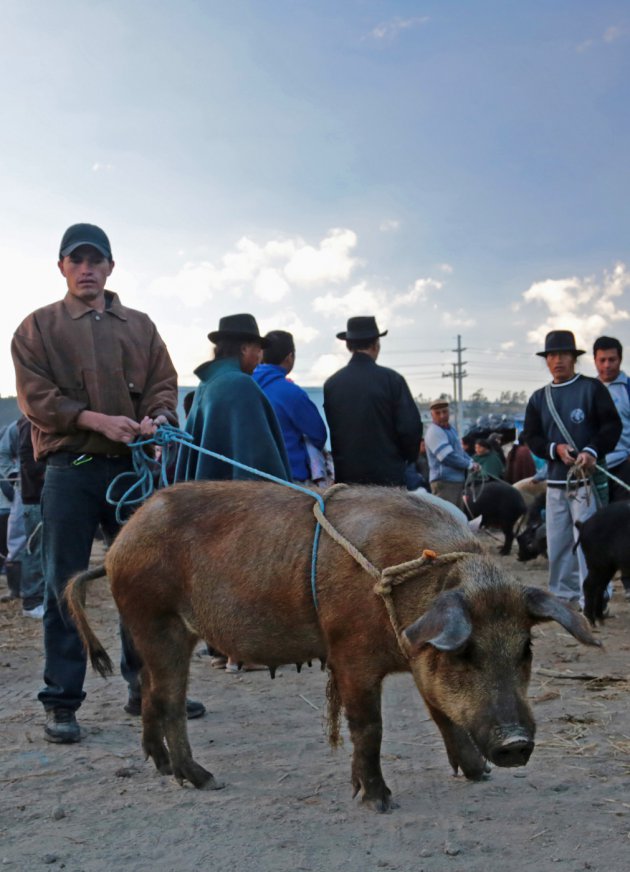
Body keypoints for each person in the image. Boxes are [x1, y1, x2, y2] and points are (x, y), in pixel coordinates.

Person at [11, 222, 205, 744]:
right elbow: (36, 399)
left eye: (96, 259)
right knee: (63, 586)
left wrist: (158, 419)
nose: (87, 268)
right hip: (68, 473)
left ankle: (148, 688)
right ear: (62, 268)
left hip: (129, 471)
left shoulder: (140, 326)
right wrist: (97, 420)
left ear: (112, 267)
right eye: (77, 260)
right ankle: (61, 702)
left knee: (143, 584)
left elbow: (165, 385)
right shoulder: (37, 328)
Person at [175, 313, 291, 673]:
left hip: (211, 505)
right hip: (237, 506)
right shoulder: (239, 386)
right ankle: (243, 651)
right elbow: (254, 461)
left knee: (216, 572)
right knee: (247, 568)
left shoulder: (211, 387)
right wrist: (277, 505)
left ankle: (223, 647)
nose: (260, 357)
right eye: (257, 349)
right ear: (245, 348)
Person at [521, 330, 621, 607]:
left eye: (563, 354)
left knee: (588, 540)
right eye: (552, 355)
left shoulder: (592, 389)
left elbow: (611, 427)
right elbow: (532, 436)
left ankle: (594, 594)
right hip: (554, 482)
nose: (557, 360)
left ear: (574, 358)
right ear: (547, 360)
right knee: (558, 541)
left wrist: (592, 450)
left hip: (585, 482)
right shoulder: (539, 398)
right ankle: (562, 595)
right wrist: (555, 449)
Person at [323, 316, 422, 486]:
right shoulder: (392, 380)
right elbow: (410, 428)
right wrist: (405, 459)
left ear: (348, 346)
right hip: (388, 480)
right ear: (376, 344)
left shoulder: (332, 384)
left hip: (348, 483)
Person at [253, 330, 327, 484]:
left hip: (249, 479)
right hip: (288, 480)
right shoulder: (292, 393)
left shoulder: (245, 384)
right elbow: (319, 434)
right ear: (289, 357)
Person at [593, 336, 630, 598]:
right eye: (602, 360)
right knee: (599, 525)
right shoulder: (588, 390)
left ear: (621, 359)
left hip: (625, 464)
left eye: (612, 360)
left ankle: (628, 581)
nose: (607, 365)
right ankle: (600, 586)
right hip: (595, 466)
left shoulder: (628, 389)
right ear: (595, 360)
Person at [425, 399, 478, 506]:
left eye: (444, 411)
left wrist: (472, 461)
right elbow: (447, 457)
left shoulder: (451, 430)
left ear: (449, 412)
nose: (442, 415)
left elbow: (459, 452)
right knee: (447, 519)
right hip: (444, 483)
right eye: (438, 413)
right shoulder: (434, 431)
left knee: (456, 519)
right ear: (432, 415)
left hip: (454, 482)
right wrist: (469, 465)